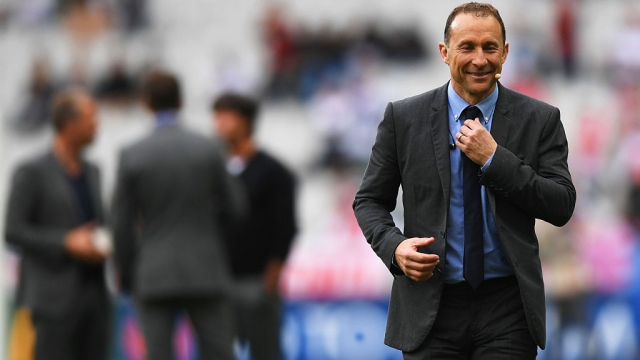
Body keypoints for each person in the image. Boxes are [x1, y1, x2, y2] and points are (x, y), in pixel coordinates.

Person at [352, 3, 576, 359]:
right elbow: (368, 201)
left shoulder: (540, 119)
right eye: (467, 47)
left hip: (508, 307)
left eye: (490, 47)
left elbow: (562, 203)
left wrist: (494, 158)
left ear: (505, 52)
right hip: (430, 305)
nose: (479, 59)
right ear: (444, 52)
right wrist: (394, 248)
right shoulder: (403, 118)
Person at [111, 70, 245, 360]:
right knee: (219, 354)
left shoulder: (132, 154)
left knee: (159, 355)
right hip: (205, 270)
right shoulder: (209, 148)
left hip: (154, 273)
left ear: (146, 104)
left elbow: (120, 224)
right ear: (181, 101)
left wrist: (128, 273)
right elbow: (236, 207)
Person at [5, 88, 111, 360]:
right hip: (53, 301)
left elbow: (99, 222)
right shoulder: (32, 171)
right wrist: (65, 242)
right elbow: (12, 231)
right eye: (91, 118)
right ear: (69, 124)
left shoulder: (94, 171)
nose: (96, 124)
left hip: (95, 298)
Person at [212, 93, 297, 360]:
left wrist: (272, 275)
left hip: (256, 282)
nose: (219, 125)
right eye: (217, 117)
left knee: (266, 352)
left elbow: (286, 226)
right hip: (217, 281)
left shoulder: (273, 172)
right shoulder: (212, 171)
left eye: (227, 117)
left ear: (246, 121)